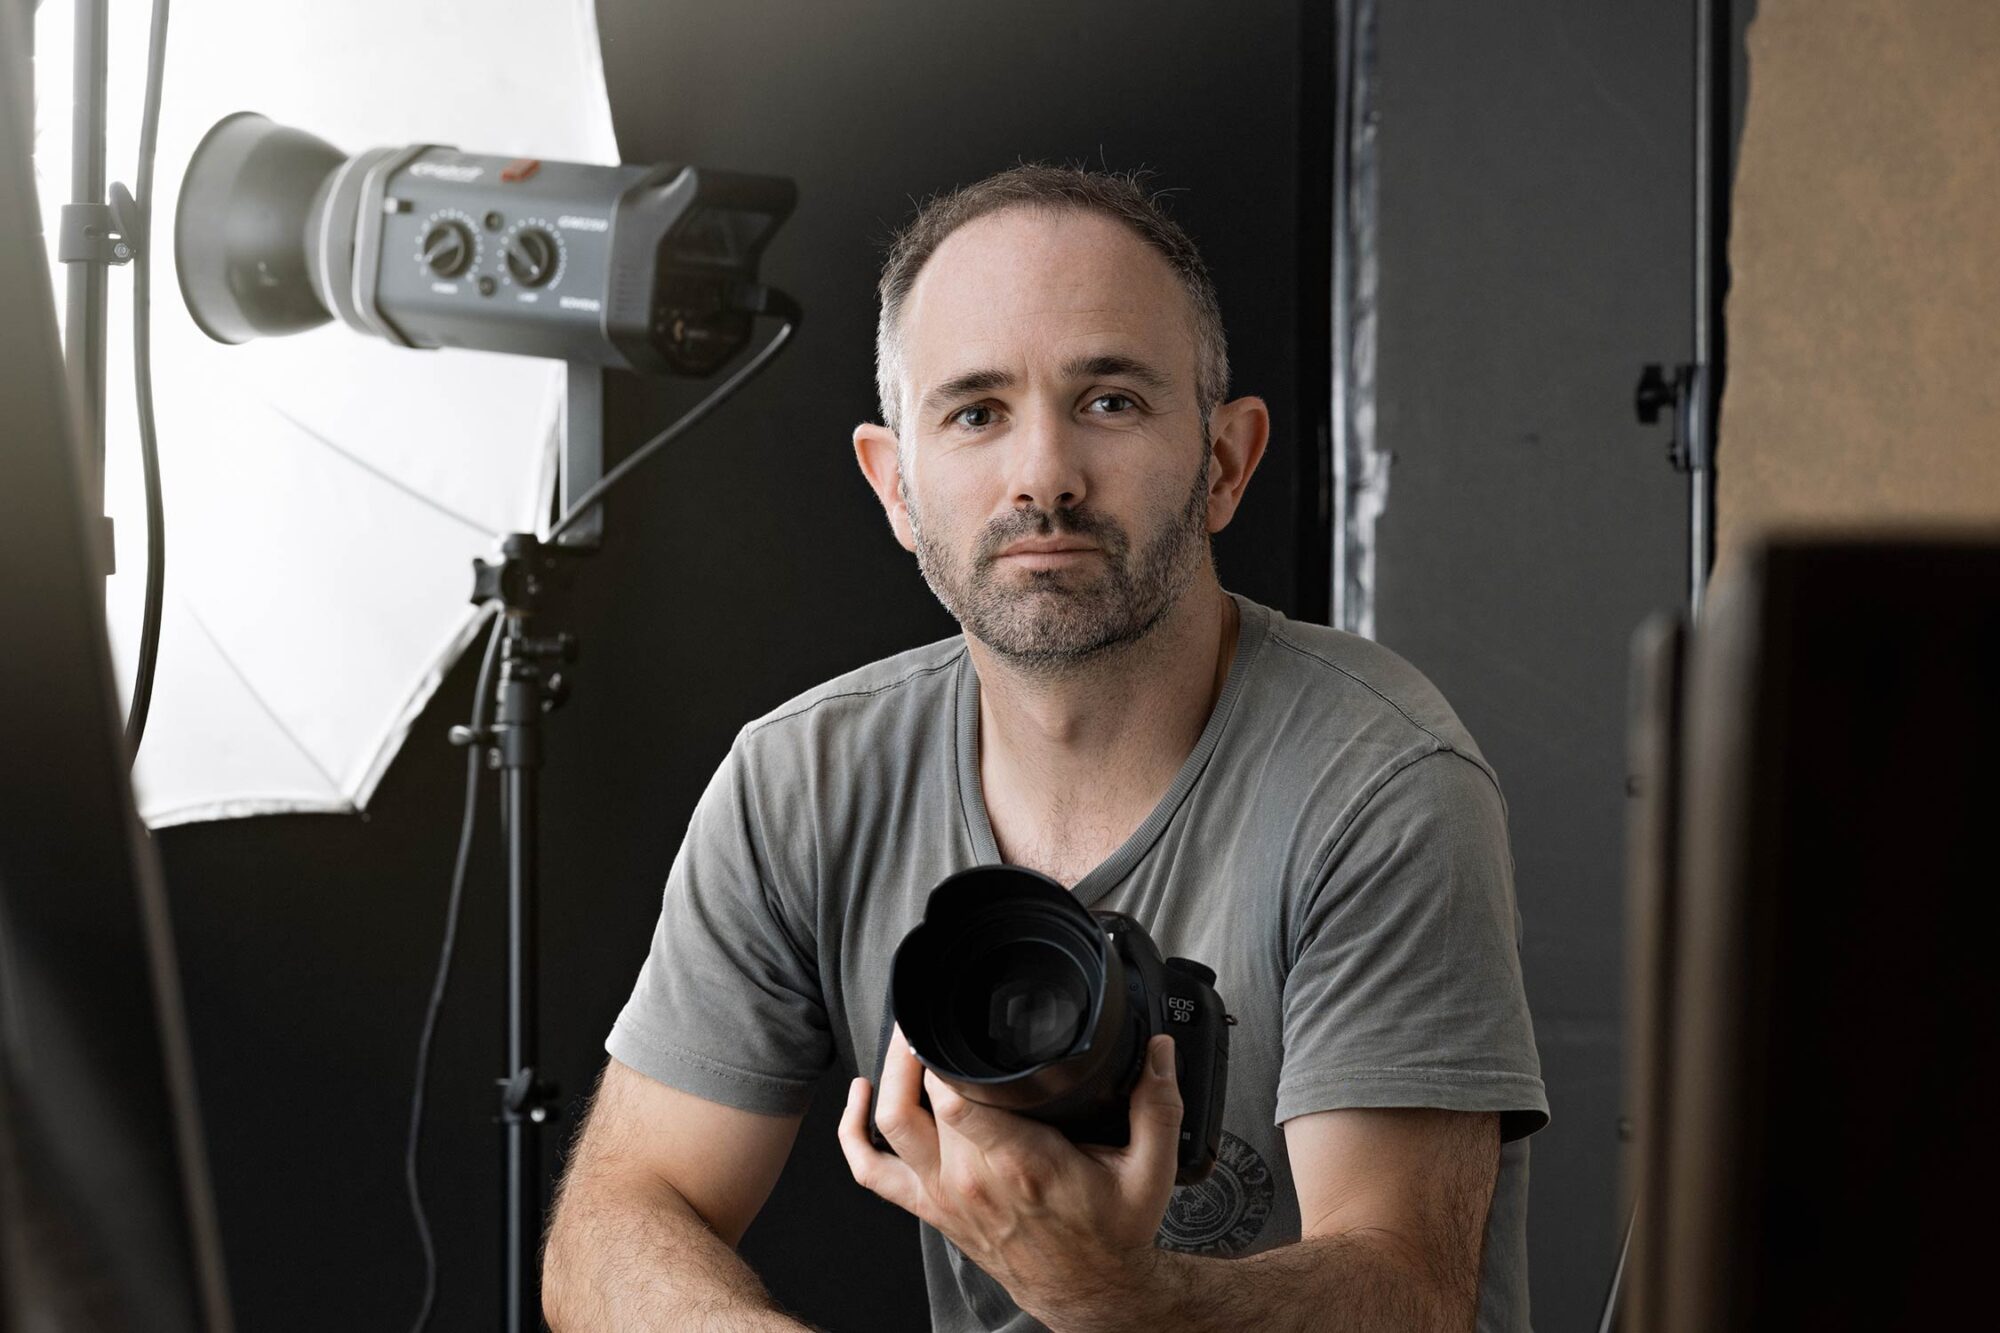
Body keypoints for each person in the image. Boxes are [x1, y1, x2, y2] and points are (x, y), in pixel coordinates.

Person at [542, 165, 1548, 1332]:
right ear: (895, 488)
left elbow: (1404, 1293)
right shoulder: (800, 785)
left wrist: (1110, 1293)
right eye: (975, 412)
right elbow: (614, 1223)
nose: (1042, 478)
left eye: (1109, 400)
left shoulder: (1376, 783)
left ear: (1224, 460)